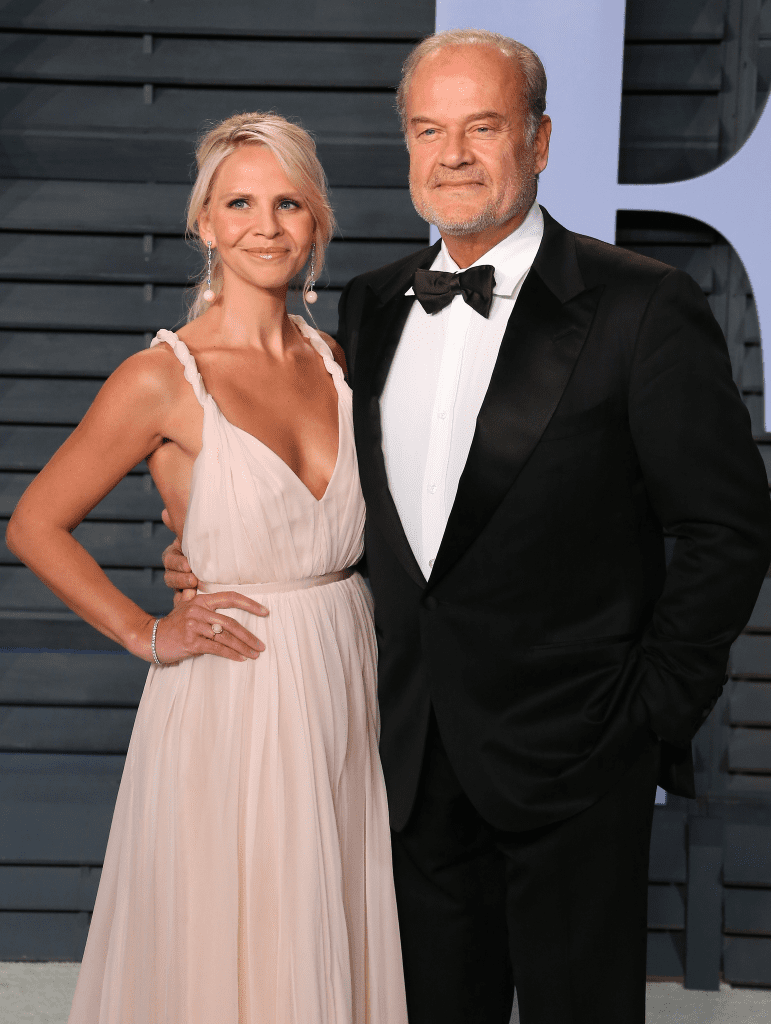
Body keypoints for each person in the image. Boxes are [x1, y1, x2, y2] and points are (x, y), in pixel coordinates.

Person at [162, 29, 771, 1024]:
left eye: (482, 127)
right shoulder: (368, 307)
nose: (451, 154)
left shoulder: (642, 305)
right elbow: (343, 502)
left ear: (539, 141)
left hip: (580, 757)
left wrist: (649, 712)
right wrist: (207, 546)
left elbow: (728, 526)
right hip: (404, 755)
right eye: (427, 130)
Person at [6, 112, 408, 1024]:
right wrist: (145, 632)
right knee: (233, 935)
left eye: (288, 203)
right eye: (239, 203)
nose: (265, 226)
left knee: (325, 925)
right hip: (232, 693)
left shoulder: (334, 360)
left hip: (342, 675)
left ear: (317, 222)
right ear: (204, 223)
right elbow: (35, 524)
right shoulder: (161, 377)